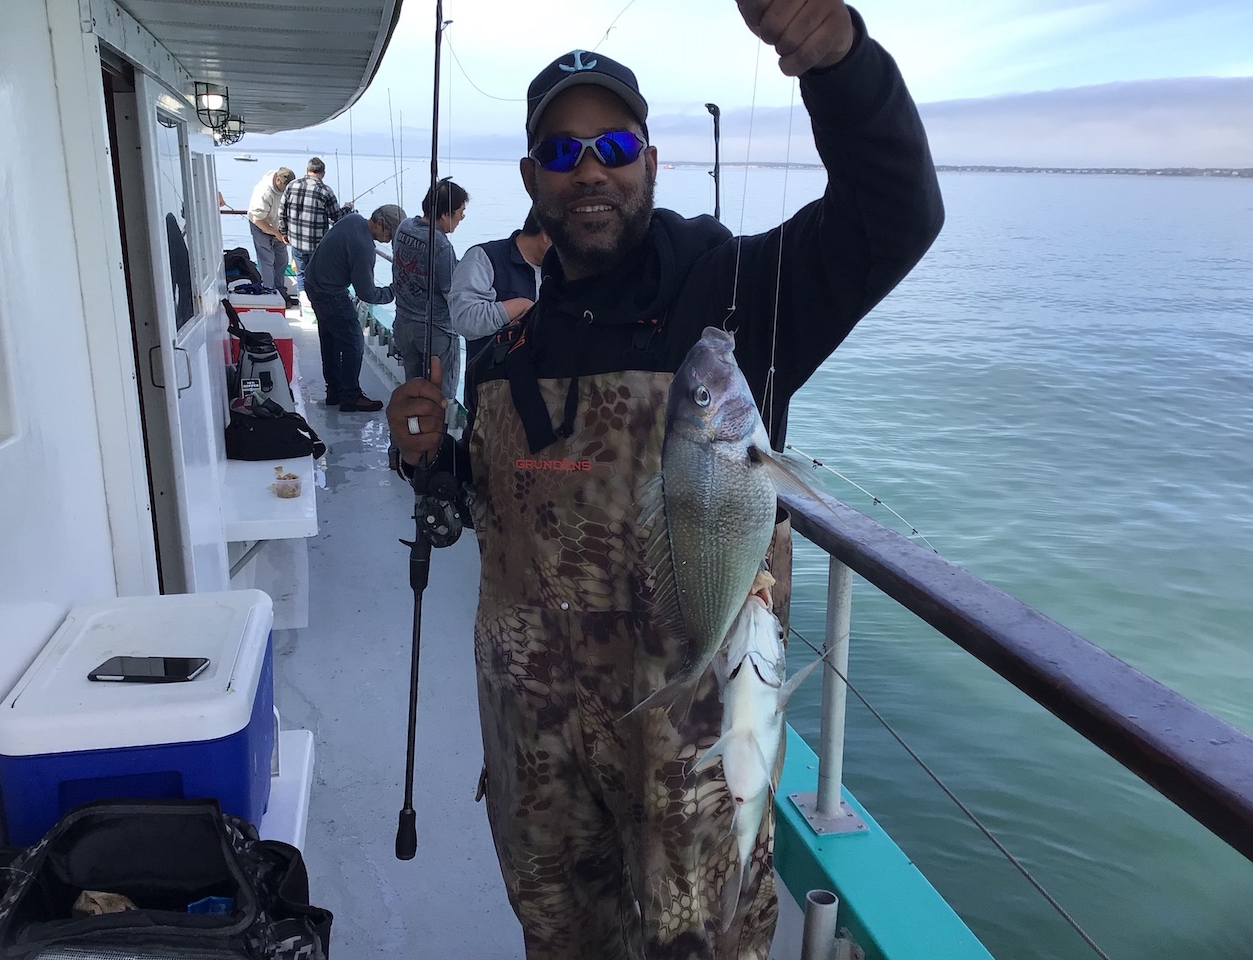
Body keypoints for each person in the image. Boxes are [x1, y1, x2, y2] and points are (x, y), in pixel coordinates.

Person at [387, 2, 943, 956]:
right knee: (558, 940)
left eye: (611, 144)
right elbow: (484, 505)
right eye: (561, 154)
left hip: (692, 753)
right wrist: (429, 454)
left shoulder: (739, 295)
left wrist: (836, 59)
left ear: (650, 158)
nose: (589, 169)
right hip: (537, 755)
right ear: (532, 180)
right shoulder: (511, 339)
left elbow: (895, 215)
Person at [304, 205, 403, 413]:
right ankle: (350, 396)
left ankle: (334, 390)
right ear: (381, 224)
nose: (390, 240)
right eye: (391, 234)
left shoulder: (354, 220)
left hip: (314, 283)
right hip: (329, 293)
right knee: (354, 342)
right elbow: (366, 294)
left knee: (330, 338)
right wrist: (394, 290)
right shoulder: (363, 246)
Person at [449, 210, 551, 408]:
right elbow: (464, 319)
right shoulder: (484, 257)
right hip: (490, 395)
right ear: (547, 234)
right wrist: (521, 307)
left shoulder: (561, 270)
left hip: (544, 398)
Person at [390, 178, 468, 401]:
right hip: (436, 333)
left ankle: (410, 433)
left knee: (413, 392)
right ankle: (437, 436)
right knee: (439, 399)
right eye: (460, 212)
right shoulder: (441, 246)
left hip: (404, 326)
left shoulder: (404, 227)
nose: (462, 218)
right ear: (445, 214)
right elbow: (450, 295)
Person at [278, 157, 352, 296]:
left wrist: (284, 232)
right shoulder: (326, 191)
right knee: (317, 277)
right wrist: (347, 208)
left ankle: (303, 305)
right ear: (323, 173)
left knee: (300, 274)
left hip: (296, 241)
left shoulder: (292, 185)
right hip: (317, 245)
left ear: (307, 170)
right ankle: (314, 307)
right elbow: (337, 217)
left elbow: (281, 211)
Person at [246, 166, 296, 303]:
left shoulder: (289, 188)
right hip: (260, 223)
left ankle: (281, 291)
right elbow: (257, 219)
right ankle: (269, 293)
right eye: (285, 187)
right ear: (278, 180)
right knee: (267, 259)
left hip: (278, 225)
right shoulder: (264, 192)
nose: (287, 190)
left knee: (282, 259)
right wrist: (275, 232)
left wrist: (284, 231)